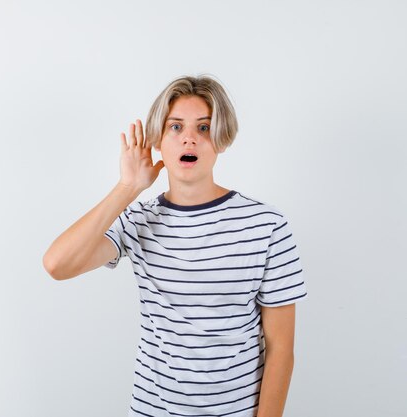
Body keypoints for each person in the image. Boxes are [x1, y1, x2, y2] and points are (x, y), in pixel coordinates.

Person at [42, 74, 308, 417]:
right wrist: (127, 187)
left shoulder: (267, 226)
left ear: (222, 138)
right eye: (175, 127)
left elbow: (281, 348)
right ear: (158, 140)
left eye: (203, 128)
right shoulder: (137, 220)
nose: (189, 140)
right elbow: (57, 265)